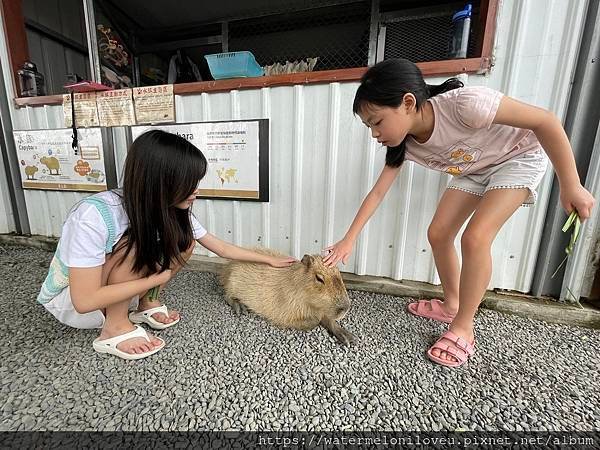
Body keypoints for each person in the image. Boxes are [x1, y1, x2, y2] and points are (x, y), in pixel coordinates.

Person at [323, 58, 595, 368]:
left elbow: (545, 121)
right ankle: (452, 303)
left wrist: (571, 184)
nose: (374, 133)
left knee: (476, 237)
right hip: (476, 169)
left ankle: (464, 327)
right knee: (438, 233)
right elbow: (378, 192)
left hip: (518, 158)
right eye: (368, 126)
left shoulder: (466, 105)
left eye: (377, 121)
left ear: (408, 103)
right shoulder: (404, 145)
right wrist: (348, 239)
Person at [37, 130, 295, 360]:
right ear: (160, 181)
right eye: (188, 183)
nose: (196, 190)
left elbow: (221, 247)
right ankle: (114, 327)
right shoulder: (94, 215)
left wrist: (269, 260)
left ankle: (146, 303)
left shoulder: (169, 207)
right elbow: (84, 300)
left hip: (115, 291)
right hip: (74, 302)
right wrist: (158, 277)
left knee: (186, 241)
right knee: (135, 244)